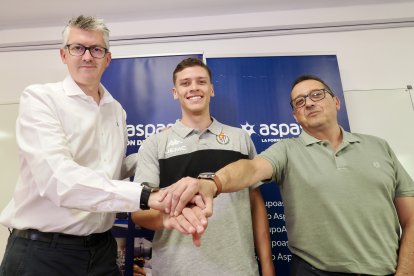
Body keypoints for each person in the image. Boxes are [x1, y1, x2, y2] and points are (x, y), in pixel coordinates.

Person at [0, 15, 206, 276]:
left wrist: (154, 148)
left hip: (101, 250)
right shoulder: (41, 99)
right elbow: (59, 180)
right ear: (64, 55)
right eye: (78, 48)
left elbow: (110, 171)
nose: (87, 57)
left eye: (96, 49)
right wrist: (145, 196)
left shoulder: (116, 110)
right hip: (43, 252)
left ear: (107, 59)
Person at [164, 75, 414, 275]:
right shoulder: (287, 150)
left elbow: (411, 219)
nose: (309, 102)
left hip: (389, 270)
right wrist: (212, 183)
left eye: (317, 94)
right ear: (295, 116)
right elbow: (250, 168)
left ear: (336, 102)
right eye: (300, 101)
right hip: (314, 271)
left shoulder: (379, 146)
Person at [131, 58, 275, 275]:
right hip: (175, 269)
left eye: (201, 81)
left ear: (211, 89)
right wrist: (170, 218)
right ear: (175, 92)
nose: (194, 88)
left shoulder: (240, 139)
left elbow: (255, 204)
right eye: (185, 83)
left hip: (239, 269)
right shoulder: (155, 144)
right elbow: (138, 213)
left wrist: (267, 266)